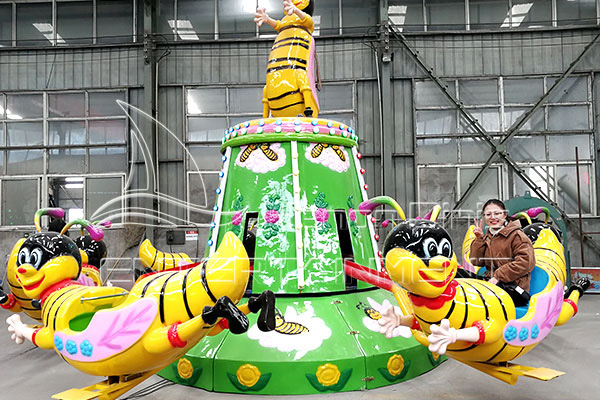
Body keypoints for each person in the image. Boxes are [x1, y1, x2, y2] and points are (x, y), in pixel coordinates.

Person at [469, 199, 535, 307]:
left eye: (497, 213)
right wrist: (479, 240)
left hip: (513, 289)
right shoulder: (489, 236)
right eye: (488, 214)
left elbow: (526, 262)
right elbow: (475, 261)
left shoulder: (517, 236)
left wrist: (498, 276)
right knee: (458, 274)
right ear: (484, 218)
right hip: (491, 283)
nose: (493, 217)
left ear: (504, 215)